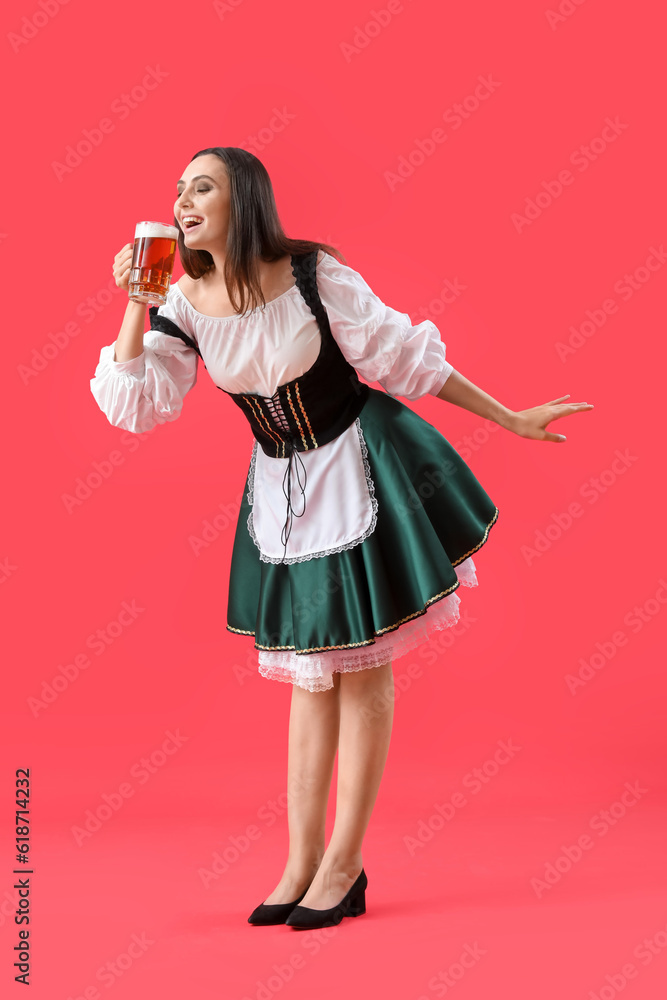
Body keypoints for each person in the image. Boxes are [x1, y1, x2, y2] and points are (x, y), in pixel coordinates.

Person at [90, 146, 593, 930]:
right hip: (282, 491)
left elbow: (405, 359)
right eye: (178, 190)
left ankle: (343, 863)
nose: (184, 201)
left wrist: (510, 417)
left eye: (203, 187)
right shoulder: (181, 301)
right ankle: (298, 862)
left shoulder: (313, 278)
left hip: (364, 467)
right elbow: (134, 403)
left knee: (362, 671)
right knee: (307, 674)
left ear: (243, 200)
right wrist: (134, 299)